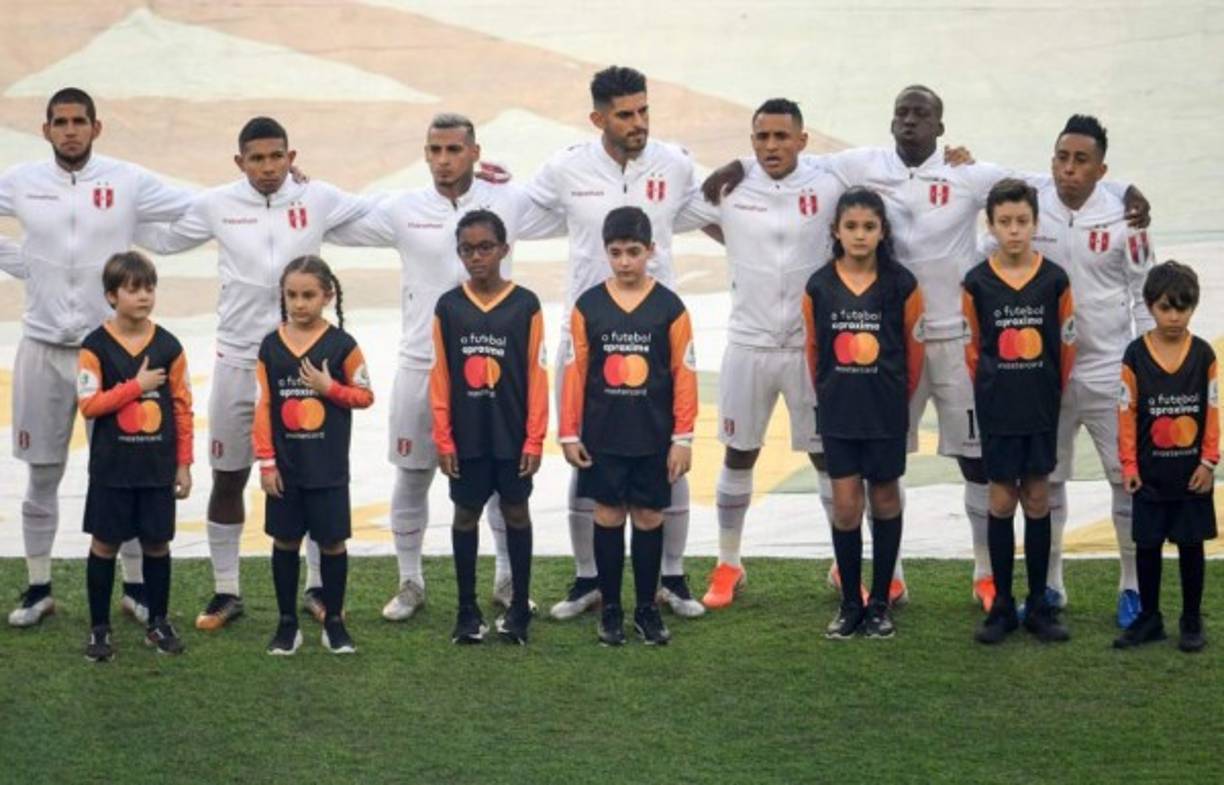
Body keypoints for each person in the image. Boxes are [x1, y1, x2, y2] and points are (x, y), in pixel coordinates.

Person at [703, 85, 1149, 611]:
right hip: (892, 345)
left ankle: (985, 575)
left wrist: (1124, 193)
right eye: (902, 113)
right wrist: (736, 164)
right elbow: (793, 156)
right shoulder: (861, 165)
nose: (910, 122)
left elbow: (1045, 183)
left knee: (977, 462)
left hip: (957, 341)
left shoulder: (968, 173)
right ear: (891, 122)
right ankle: (887, 574)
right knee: (882, 465)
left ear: (941, 126)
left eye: (922, 115)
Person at [136, 116, 372, 630]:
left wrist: (478, 189)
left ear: (292, 156)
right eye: (257, 159)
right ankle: (227, 591)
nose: (268, 168)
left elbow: (384, 212)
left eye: (276, 157)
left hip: (303, 367)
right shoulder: (217, 204)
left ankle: (317, 589)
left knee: (310, 476)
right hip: (238, 363)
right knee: (228, 476)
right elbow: (166, 236)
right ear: (239, 161)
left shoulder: (319, 198)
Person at [326, 112, 562, 623]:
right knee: (412, 475)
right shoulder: (403, 208)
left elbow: (565, 205)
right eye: (434, 150)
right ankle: (410, 580)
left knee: (502, 477)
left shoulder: (508, 201)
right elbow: (341, 218)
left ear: (475, 152)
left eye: (454, 150)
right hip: (420, 364)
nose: (442, 160)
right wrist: (300, 189)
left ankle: (505, 579)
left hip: (494, 370)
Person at [0, 87, 195, 626]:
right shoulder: (21, 182)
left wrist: (277, 191)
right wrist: (25, 266)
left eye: (78, 121)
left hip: (111, 353)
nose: (69, 130)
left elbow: (198, 206)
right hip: (41, 348)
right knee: (42, 471)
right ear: (45, 131)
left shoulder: (126, 181)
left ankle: (135, 590)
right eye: (59, 122)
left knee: (126, 470)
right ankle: (38, 587)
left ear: (96, 127)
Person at [529, 65, 710, 621]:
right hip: (588, 334)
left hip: (656, 331)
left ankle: (670, 578)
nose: (639, 123)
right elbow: (517, 209)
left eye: (644, 111)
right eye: (626, 114)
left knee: (666, 458)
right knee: (588, 461)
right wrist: (478, 181)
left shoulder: (674, 164)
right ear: (598, 118)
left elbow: (719, 203)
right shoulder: (565, 168)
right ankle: (589, 579)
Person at [677, 98, 845, 609]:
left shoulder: (828, 183)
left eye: (780, 137)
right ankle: (729, 563)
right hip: (747, 344)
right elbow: (683, 209)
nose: (770, 146)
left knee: (824, 457)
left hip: (806, 347)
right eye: (760, 138)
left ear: (802, 139)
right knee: (739, 452)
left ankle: (843, 562)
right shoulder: (732, 186)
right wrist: (734, 218)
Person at [1021, 115, 1155, 627]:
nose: (1068, 170)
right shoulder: (1032, 200)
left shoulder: (1127, 216)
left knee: (1125, 479)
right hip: (1045, 373)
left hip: (1106, 368)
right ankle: (1052, 585)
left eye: (1081, 161)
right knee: (1047, 480)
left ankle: (1132, 587)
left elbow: (1144, 292)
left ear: (1101, 169)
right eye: (1061, 157)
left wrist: (1142, 365)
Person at [559, 206, 698, 646]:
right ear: (606, 253)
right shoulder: (589, 305)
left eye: (633, 252)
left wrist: (683, 437)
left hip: (654, 436)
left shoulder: (670, 307)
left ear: (650, 251)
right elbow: (575, 372)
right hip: (603, 435)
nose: (624, 262)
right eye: (616, 252)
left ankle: (646, 610)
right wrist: (568, 432)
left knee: (649, 515)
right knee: (607, 514)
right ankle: (611, 610)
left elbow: (684, 374)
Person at [802, 188, 924, 638]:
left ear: (882, 232)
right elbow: (814, 351)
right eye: (851, 226)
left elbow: (914, 351)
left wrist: (895, 396)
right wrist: (833, 393)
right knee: (847, 504)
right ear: (836, 231)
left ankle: (880, 602)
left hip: (885, 410)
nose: (859, 235)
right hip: (839, 412)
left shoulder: (901, 283)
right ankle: (850, 601)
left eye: (868, 227)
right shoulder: (819, 284)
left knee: (886, 497)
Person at [963, 179, 1075, 645]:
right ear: (990, 225)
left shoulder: (1054, 280)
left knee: (1037, 498)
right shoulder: (977, 282)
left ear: (1035, 224)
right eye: (1004, 222)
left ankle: (1039, 605)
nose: (1014, 231)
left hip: (1039, 407)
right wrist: (992, 393)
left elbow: (1066, 346)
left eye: (1022, 222)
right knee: (1000, 500)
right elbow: (973, 349)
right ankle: (1002, 606)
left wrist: (1047, 391)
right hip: (998, 411)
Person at [430, 210, 548, 645]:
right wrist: (443, 436)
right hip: (467, 434)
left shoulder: (525, 304)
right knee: (465, 514)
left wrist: (535, 437)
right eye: (467, 249)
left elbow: (537, 375)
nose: (476, 257)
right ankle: (466, 609)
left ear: (504, 249)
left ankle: (518, 608)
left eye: (485, 248)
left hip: (512, 433)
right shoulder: (449, 306)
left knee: (516, 512)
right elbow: (440, 376)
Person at [77, 252, 193, 661]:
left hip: (156, 469)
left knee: (157, 546)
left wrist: (183, 463)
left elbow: (181, 407)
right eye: (133, 289)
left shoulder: (169, 346)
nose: (143, 296)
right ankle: (99, 628)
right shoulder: (94, 347)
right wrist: (136, 385)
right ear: (112, 296)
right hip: (112, 470)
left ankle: (158, 622)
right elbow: (89, 405)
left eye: (149, 287)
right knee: (104, 545)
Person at [255, 256, 373, 655]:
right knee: (285, 542)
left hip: (328, 469)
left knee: (333, 543)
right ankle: (287, 623)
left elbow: (365, 395)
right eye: (291, 295)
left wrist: (329, 388)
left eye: (308, 295)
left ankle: (334, 621)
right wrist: (266, 461)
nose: (299, 303)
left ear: (327, 296)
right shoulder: (271, 346)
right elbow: (263, 406)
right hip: (286, 471)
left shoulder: (343, 346)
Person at [1115, 261, 1217, 653]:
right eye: (1165, 307)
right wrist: (1129, 465)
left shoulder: (1204, 355)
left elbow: (1212, 412)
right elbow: (1126, 412)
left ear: (1193, 307)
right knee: (1147, 545)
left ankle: (1191, 619)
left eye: (1183, 307)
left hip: (1192, 474)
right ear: (1149, 305)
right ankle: (1150, 617)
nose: (1174, 316)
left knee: (1192, 546)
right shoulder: (1135, 355)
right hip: (1150, 473)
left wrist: (1209, 462)